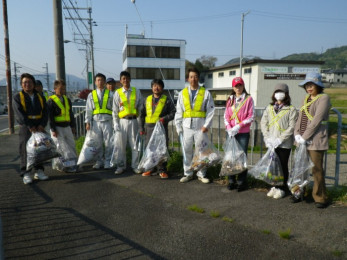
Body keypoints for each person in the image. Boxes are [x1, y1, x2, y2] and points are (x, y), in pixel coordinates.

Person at [294, 72, 331, 208]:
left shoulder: (324, 98)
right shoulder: (305, 98)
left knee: (316, 169)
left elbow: (316, 120)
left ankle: (320, 197)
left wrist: (304, 137)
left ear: (318, 85)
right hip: (301, 139)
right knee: (300, 168)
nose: (309, 87)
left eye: (312, 84)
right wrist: (296, 134)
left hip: (315, 139)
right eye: (307, 85)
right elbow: (300, 117)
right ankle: (298, 193)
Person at [174, 67, 215, 184]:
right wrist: (178, 127)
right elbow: (179, 111)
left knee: (202, 151)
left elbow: (211, 111)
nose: (193, 79)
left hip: (200, 128)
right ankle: (188, 173)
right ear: (188, 78)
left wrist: (206, 125)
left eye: (195, 77)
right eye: (191, 77)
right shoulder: (182, 93)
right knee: (187, 150)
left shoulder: (205, 93)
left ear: (198, 78)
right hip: (186, 127)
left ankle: (201, 174)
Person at [260, 83, 298, 198]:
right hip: (271, 142)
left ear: (286, 94)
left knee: (282, 165)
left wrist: (280, 139)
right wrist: (267, 137)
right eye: (277, 91)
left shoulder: (291, 109)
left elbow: (292, 127)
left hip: (284, 144)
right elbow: (263, 123)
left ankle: (282, 188)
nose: (279, 94)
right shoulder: (269, 108)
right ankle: (274, 186)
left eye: (281, 91)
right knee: (272, 166)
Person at [13, 73, 49, 184]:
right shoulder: (18, 97)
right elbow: (19, 114)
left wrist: (42, 124)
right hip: (26, 127)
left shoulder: (40, 97)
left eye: (29, 82)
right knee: (25, 149)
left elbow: (45, 112)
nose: (27, 84)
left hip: (39, 126)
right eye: (24, 82)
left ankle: (39, 171)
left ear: (33, 84)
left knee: (40, 149)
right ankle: (26, 173)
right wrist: (30, 126)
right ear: (21, 84)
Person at [139, 79, 176, 179]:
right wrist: (141, 128)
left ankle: (162, 170)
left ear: (162, 88)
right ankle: (149, 169)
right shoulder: (147, 100)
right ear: (152, 88)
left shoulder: (167, 100)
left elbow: (173, 113)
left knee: (161, 149)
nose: (156, 87)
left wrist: (165, 119)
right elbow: (142, 115)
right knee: (149, 149)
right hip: (149, 129)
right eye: (154, 85)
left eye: (158, 85)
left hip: (161, 129)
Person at [224, 77, 254, 191]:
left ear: (243, 86)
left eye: (240, 85)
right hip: (231, 132)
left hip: (243, 132)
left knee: (242, 157)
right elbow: (226, 115)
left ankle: (241, 182)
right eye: (236, 86)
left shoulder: (248, 99)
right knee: (230, 157)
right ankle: (231, 180)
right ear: (233, 87)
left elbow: (251, 116)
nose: (238, 88)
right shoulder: (230, 99)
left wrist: (238, 126)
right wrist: (229, 127)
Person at [112, 71, 143, 174]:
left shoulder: (136, 91)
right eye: (123, 78)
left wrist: (139, 122)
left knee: (135, 145)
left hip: (133, 121)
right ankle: (121, 166)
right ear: (121, 81)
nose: (125, 80)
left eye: (127, 78)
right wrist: (115, 123)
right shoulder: (118, 93)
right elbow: (115, 110)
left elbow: (140, 106)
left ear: (130, 79)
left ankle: (135, 165)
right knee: (121, 146)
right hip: (122, 122)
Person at [47, 79, 78, 172]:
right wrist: (53, 129)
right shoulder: (51, 101)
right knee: (61, 148)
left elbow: (70, 114)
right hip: (57, 128)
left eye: (64, 89)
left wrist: (73, 126)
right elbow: (50, 117)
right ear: (55, 89)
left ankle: (72, 164)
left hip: (67, 127)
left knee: (71, 146)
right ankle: (62, 166)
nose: (62, 91)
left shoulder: (67, 100)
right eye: (60, 89)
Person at [85, 73, 114, 169]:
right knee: (97, 143)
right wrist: (87, 122)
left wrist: (115, 123)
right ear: (95, 82)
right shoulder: (91, 94)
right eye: (98, 80)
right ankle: (99, 161)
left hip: (108, 121)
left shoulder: (110, 94)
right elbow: (88, 109)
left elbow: (114, 109)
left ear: (105, 82)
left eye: (102, 80)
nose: (100, 82)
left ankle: (108, 161)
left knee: (109, 142)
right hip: (96, 122)